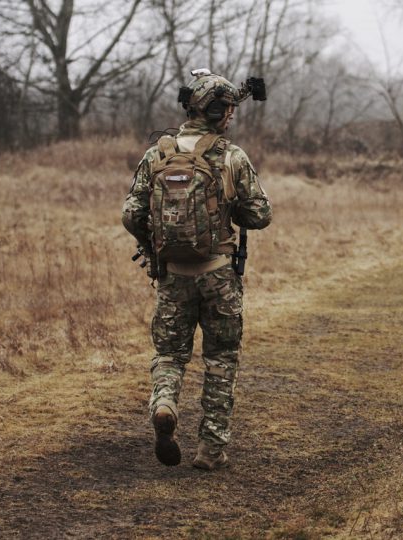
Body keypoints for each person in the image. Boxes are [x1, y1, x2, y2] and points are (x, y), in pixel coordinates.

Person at [121, 69, 272, 469]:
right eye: (230, 111)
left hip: (172, 274)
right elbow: (260, 216)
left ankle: (166, 402)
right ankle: (211, 449)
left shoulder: (157, 154)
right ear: (219, 112)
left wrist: (152, 250)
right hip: (220, 274)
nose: (232, 117)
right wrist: (230, 206)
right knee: (221, 359)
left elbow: (131, 213)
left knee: (170, 353)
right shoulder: (230, 156)